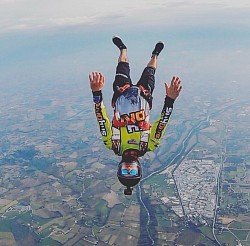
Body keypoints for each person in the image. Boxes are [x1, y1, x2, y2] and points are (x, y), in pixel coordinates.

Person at [89, 36, 182, 195]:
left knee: (122, 66)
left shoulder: (113, 144)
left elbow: (102, 120)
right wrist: (170, 100)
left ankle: (123, 49)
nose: (129, 168)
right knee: (150, 71)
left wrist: (97, 93)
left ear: (119, 169)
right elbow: (162, 124)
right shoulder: (148, 145)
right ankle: (155, 55)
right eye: (133, 172)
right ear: (139, 169)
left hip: (121, 94)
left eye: (125, 172)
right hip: (144, 96)